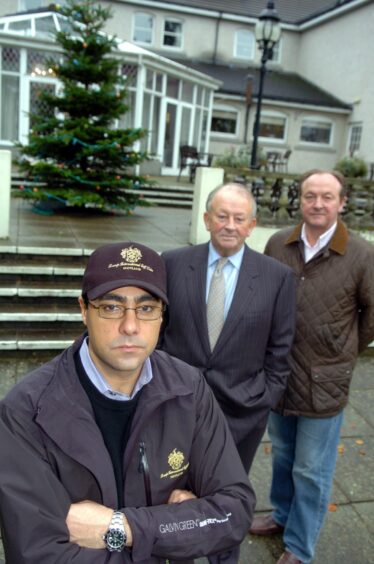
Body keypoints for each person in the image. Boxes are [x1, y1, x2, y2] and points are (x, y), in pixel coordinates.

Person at [0, 241, 255, 564]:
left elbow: (233, 512)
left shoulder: (188, 388)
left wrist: (123, 528)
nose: (130, 326)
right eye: (111, 307)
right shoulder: (26, 411)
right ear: (83, 309)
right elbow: (37, 553)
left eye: (146, 309)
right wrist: (174, 530)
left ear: (162, 315)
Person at [250, 170, 374, 564]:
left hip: (325, 378)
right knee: (284, 454)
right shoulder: (277, 244)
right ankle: (283, 515)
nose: (317, 204)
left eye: (326, 196)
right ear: (299, 200)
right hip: (280, 374)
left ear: (341, 203)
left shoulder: (361, 253)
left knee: (311, 469)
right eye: (309, 196)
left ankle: (300, 546)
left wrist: (345, 345)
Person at [159, 182, 296, 473]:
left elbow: (280, 348)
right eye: (222, 216)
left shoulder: (278, 277)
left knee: (227, 490)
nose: (230, 225)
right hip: (174, 403)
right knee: (168, 484)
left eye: (239, 218)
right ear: (207, 219)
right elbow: (157, 330)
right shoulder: (172, 264)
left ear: (252, 226)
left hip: (242, 411)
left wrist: (264, 398)